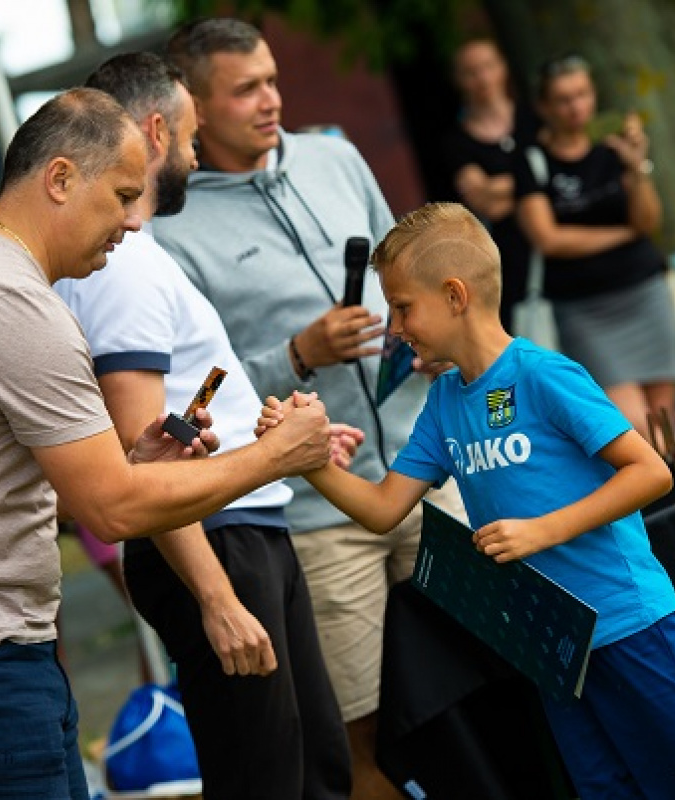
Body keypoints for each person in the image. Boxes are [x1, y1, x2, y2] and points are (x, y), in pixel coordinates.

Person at [0, 86, 334, 800]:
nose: (132, 222)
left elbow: (35, 487)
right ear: (60, 179)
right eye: (123, 195)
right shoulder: (7, 301)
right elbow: (113, 513)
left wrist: (130, 466)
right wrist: (278, 456)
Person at [259, 201, 675, 800]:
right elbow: (385, 508)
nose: (397, 327)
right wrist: (305, 460)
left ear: (456, 295)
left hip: (633, 625)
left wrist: (544, 530)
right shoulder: (443, 402)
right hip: (554, 651)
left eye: (404, 307)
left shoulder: (544, 374)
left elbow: (651, 473)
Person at [156, 17, 467, 799]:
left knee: (491, 693)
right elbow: (198, 391)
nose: (272, 100)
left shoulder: (335, 154)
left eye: (272, 79)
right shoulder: (168, 232)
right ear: (193, 106)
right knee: (360, 740)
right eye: (247, 89)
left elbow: (415, 270)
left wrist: (420, 329)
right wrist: (295, 355)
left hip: (433, 476)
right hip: (320, 521)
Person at [55, 52, 354, 800]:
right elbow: (144, 460)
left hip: (245, 529)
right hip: (217, 545)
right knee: (265, 779)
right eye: (190, 135)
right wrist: (218, 599)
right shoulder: (120, 266)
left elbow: (191, 403)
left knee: (313, 771)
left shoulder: (144, 257)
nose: (194, 153)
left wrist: (275, 436)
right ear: (157, 131)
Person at [513, 54, 675, 439]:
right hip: (585, 309)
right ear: (544, 107)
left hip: (643, 292)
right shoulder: (532, 163)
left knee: (666, 422)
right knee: (632, 423)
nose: (576, 107)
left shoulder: (612, 150)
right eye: (564, 99)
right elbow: (548, 239)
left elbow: (649, 221)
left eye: (583, 94)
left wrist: (637, 168)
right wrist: (624, 235)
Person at [444, 38, 541, 332]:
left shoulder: (535, 119)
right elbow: (486, 204)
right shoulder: (456, 143)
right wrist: (536, 183)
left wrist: (498, 185)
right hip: (511, 264)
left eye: (488, 67)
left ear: (503, 68)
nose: (483, 78)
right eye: (472, 71)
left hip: (558, 252)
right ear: (459, 80)